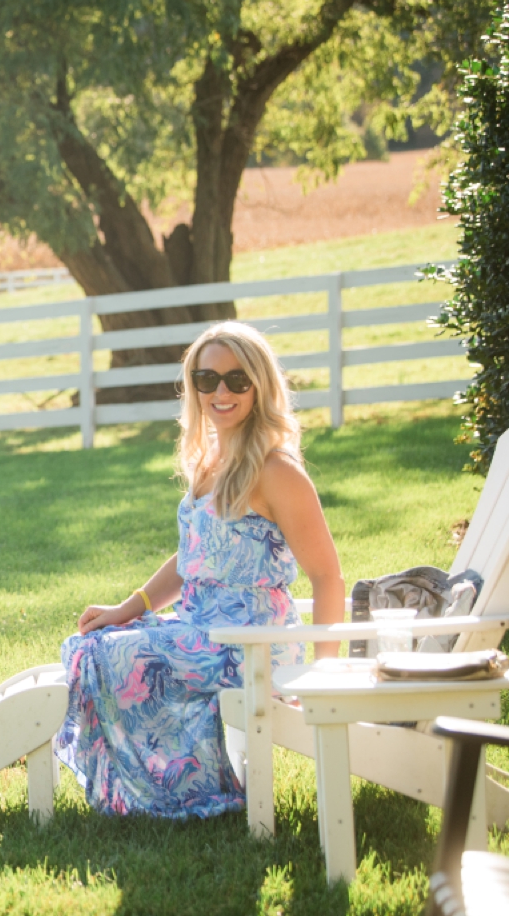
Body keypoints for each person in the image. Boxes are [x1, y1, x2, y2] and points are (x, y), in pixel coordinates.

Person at [54, 322, 345, 818]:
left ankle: (177, 791)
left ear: (261, 385)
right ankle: (165, 785)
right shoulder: (211, 458)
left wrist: (323, 671)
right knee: (92, 643)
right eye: (206, 380)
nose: (221, 392)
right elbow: (191, 559)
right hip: (204, 631)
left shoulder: (277, 471)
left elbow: (328, 576)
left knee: (111, 658)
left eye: (237, 380)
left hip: (249, 645)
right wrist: (130, 607)